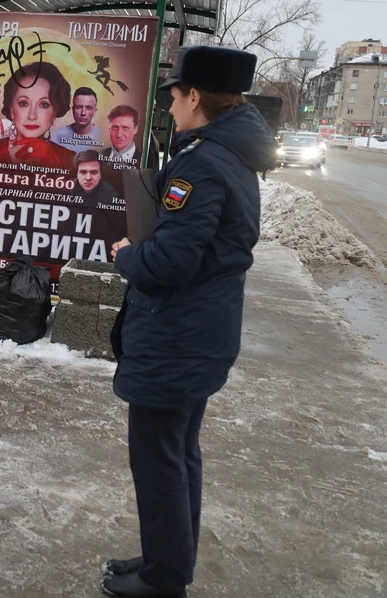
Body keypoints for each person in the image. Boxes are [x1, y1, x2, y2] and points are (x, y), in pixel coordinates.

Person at [102, 45, 276, 598]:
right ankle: (165, 560)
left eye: (174, 96)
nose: (170, 107)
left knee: (160, 463)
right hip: (196, 334)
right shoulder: (226, 154)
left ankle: (164, 578)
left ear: (195, 96)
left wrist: (126, 253)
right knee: (177, 456)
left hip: (179, 337)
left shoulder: (203, 163)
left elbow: (171, 262)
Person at [0, 61, 75, 169]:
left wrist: (51, 160)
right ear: (12, 110)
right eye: (23, 103)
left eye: (44, 104)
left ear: (54, 113)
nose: (32, 116)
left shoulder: (69, 160)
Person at [51, 87, 106, 153]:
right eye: (78, 107)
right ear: (73, 110)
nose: (83, 113)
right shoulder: (56, 137)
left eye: (88, 108)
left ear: (94, 111)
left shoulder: (104, 138)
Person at [100, 105, 144, 169]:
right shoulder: (98, 155)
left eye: (125, 128)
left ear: (135, 129)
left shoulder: (145, 160)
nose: (119, 135)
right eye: (115, 127)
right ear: (109, 129)